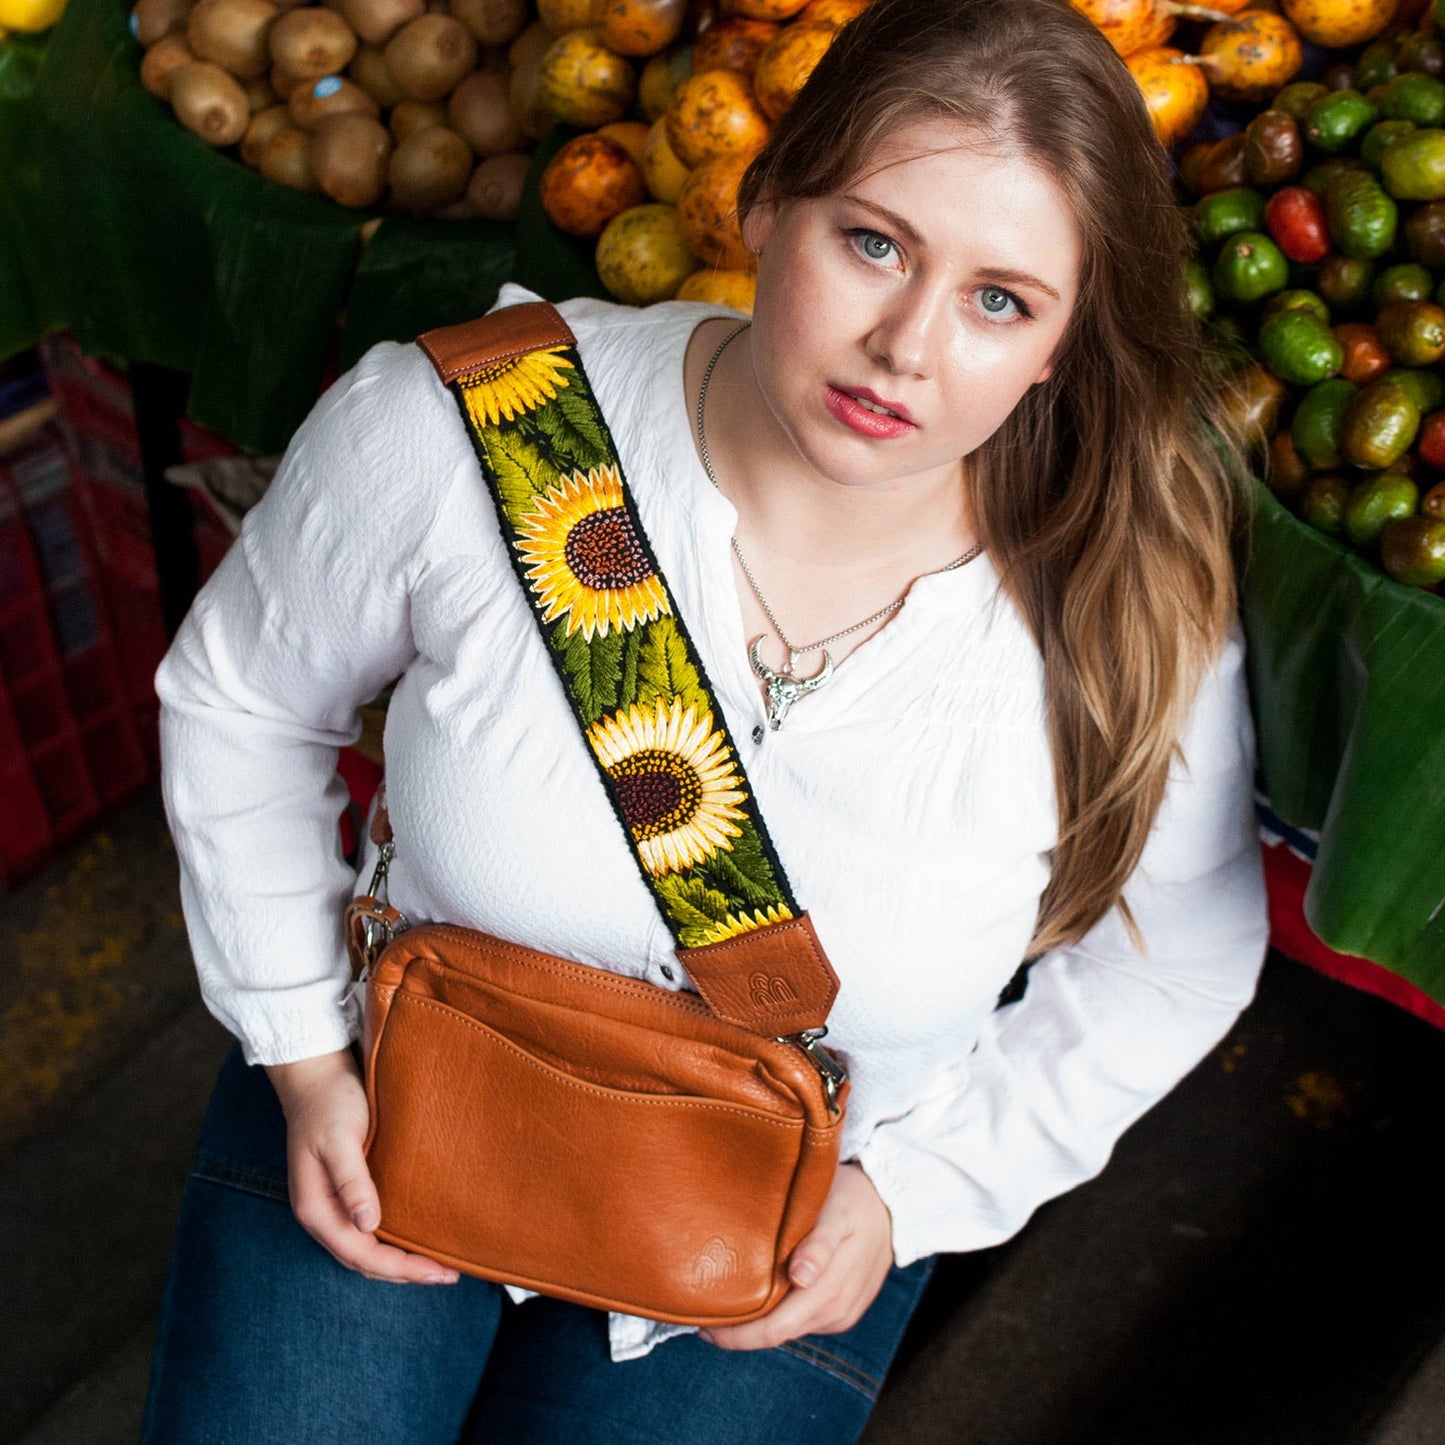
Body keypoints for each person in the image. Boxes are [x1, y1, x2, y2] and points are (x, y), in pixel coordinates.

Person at [140, 0, 1269, 1439]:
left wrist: (912, 1194)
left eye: (1001, 300)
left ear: (1060, 342)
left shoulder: (1120, 597)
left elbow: (1175, 959)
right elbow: (243, 696)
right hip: (390, 1102)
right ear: (761, 202)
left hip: (784, 1219)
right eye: (872, 242)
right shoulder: (477, 425)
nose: (906, 347)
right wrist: (301, 1053)